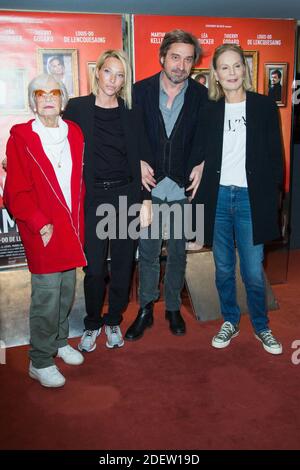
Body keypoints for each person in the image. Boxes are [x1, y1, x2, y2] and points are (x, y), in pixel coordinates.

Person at [193, 44, 283, 355]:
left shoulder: (263, 107)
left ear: (244, 70)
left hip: (250, 199)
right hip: (218, 199)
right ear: (216, 74)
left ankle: (261, 325)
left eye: (236, 66)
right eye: (225, 68)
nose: (231, 72)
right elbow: (200, 154)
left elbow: (275, 156)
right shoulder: (209, 111)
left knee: (253, 270)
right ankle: (230, 319)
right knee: (223, 267)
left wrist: (273, 201)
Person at [63, 50, 151, 353]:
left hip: (126, 194)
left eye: (120, 75)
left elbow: (144, 157)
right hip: (94, 196)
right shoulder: (76, 108)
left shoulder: (131, 112)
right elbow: (56, 144)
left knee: (124, 264)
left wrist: (147, 199)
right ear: (97, 72)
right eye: (109, 72)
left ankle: (113, 319)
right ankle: (92, 323)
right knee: (95, 268)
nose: (113, 80)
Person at [3, 74, 86, 387]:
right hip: (43, 229)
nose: (48, 97)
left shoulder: (74, 133)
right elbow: (16, 193)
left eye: (54, 92)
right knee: (47, 296)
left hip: (70, 227)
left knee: (66, 291)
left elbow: (78, 183)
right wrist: (40, 223)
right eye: (40, 93)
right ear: (32, 101)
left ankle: (60, 341)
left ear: (62, 99)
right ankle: (39, 360)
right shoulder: (21, 138)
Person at [124, 29, 208, 341]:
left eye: (188, 59)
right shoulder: (140, 91)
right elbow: (130, 135)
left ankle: (172, 306)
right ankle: (146, 308)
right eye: (175, 57)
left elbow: (206, 136)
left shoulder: (202, 96)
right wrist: (136, 162)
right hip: (149, 187)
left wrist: (203, 161)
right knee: (146, 251)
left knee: (177, 251)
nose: (180, 65)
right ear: (162, 58)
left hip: (182, 187)